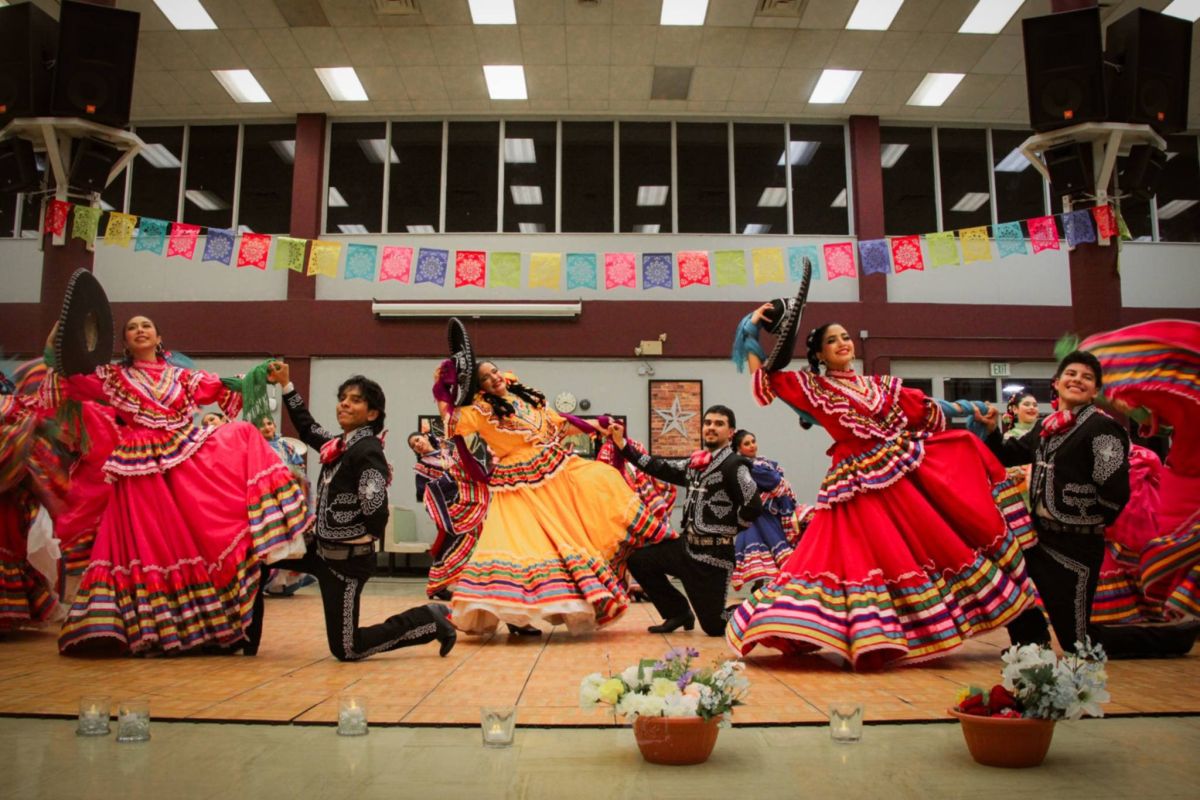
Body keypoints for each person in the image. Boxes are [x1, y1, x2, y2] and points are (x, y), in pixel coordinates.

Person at [727, 312, 1040, 669]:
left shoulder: (881, 386)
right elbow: (766, 379)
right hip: (856, 484)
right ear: (820, 356)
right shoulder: (815, 388)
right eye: (832, 341)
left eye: (845, 336)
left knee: (934, 542)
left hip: (900, 474)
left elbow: (928, 408)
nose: (843, 343)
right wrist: (751, 327)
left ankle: (906, 628)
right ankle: (862, 632)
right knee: (856, 558)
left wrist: (975, 408)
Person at [51, 316, 312, 655]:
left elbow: (228, 386)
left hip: (182, 457)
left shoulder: (182, 377)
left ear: (159, 337)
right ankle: (146, 626)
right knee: (148, 544)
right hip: (140, 469)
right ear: (125, 343)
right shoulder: (114, 378)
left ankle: (199, 625)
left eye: (147, 325)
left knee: (242, 437)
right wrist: (62, 335)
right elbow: (68, 377)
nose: (140, 330)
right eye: (132, 327)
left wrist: (262, 374)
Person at [432, 320, 671, 636]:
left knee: (594, 493)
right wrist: (440, 388)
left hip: (553, 471)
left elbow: (559, 421)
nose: (493, 379)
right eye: (485, 378)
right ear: (478, 387)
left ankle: (559, 605)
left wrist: (596, 426)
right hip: (517, 485)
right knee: (522, 545)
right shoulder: (478, 411)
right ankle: (516, 615)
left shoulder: (525, 398)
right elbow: (450, 421)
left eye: (494, 372)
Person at [979, 350, 1198, 658]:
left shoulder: (1102, 429)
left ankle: (1174, 640)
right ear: (1056, 384)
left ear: (1095, 390)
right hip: (1041, 537)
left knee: (1079, 642)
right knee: (1006, 577)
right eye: (1071, 374)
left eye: (1086, 377)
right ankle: (1031, 643)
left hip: (1077, 544)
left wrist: (1087, 522)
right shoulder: (1046, 427)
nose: (1077, 380)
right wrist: (989, 432)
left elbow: (1115, 491)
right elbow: (1007, 454)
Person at [267, 361, 456, 660]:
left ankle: (430, 620)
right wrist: (287, 385)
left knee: (347, 648)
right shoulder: (338, 446)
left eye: (355, 400)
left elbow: (375, 508)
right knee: (259, 558)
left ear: (372, 414)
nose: (344, 403)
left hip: (346, 563)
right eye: (343, 398)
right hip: (319, 550)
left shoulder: (367, 450)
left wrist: (361, 541)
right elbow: (306, 426)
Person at [608, 406, 763, 636]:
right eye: (707, 422)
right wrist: (623, 446)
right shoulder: (696, 463)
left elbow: (753, 505)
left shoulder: (734, 465)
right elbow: (656, 466)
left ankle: (763, 610)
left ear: (731, 432)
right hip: (686, 548)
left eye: (718, 424)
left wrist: (730, 529)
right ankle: (677, 612)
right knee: (640, 560)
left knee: (715, 626)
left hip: (714, 559)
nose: (711, 427)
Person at [408, 431, 487, 601]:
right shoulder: (422, 466)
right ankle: (438, 584)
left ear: (425, 436)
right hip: (448, 509)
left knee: (476, 537)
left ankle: (473, 581)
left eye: (417, 440)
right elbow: (422, 491)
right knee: (448, 543)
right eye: (413, 445)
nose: (417, 444)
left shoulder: (447, 453)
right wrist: (447, 481)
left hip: (467, 502)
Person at [728, 429, 809, 592]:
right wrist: (775, 482)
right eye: (746, 443)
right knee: (767, 549)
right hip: (758, 516)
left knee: (769, 552)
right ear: (739, 448)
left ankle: (765, 589)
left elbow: (775, 480)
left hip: (769, 513)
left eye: (753, 441)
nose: (752, 446)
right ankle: (761, 589)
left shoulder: (761, 463)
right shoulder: (745, 467)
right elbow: (774, 480)